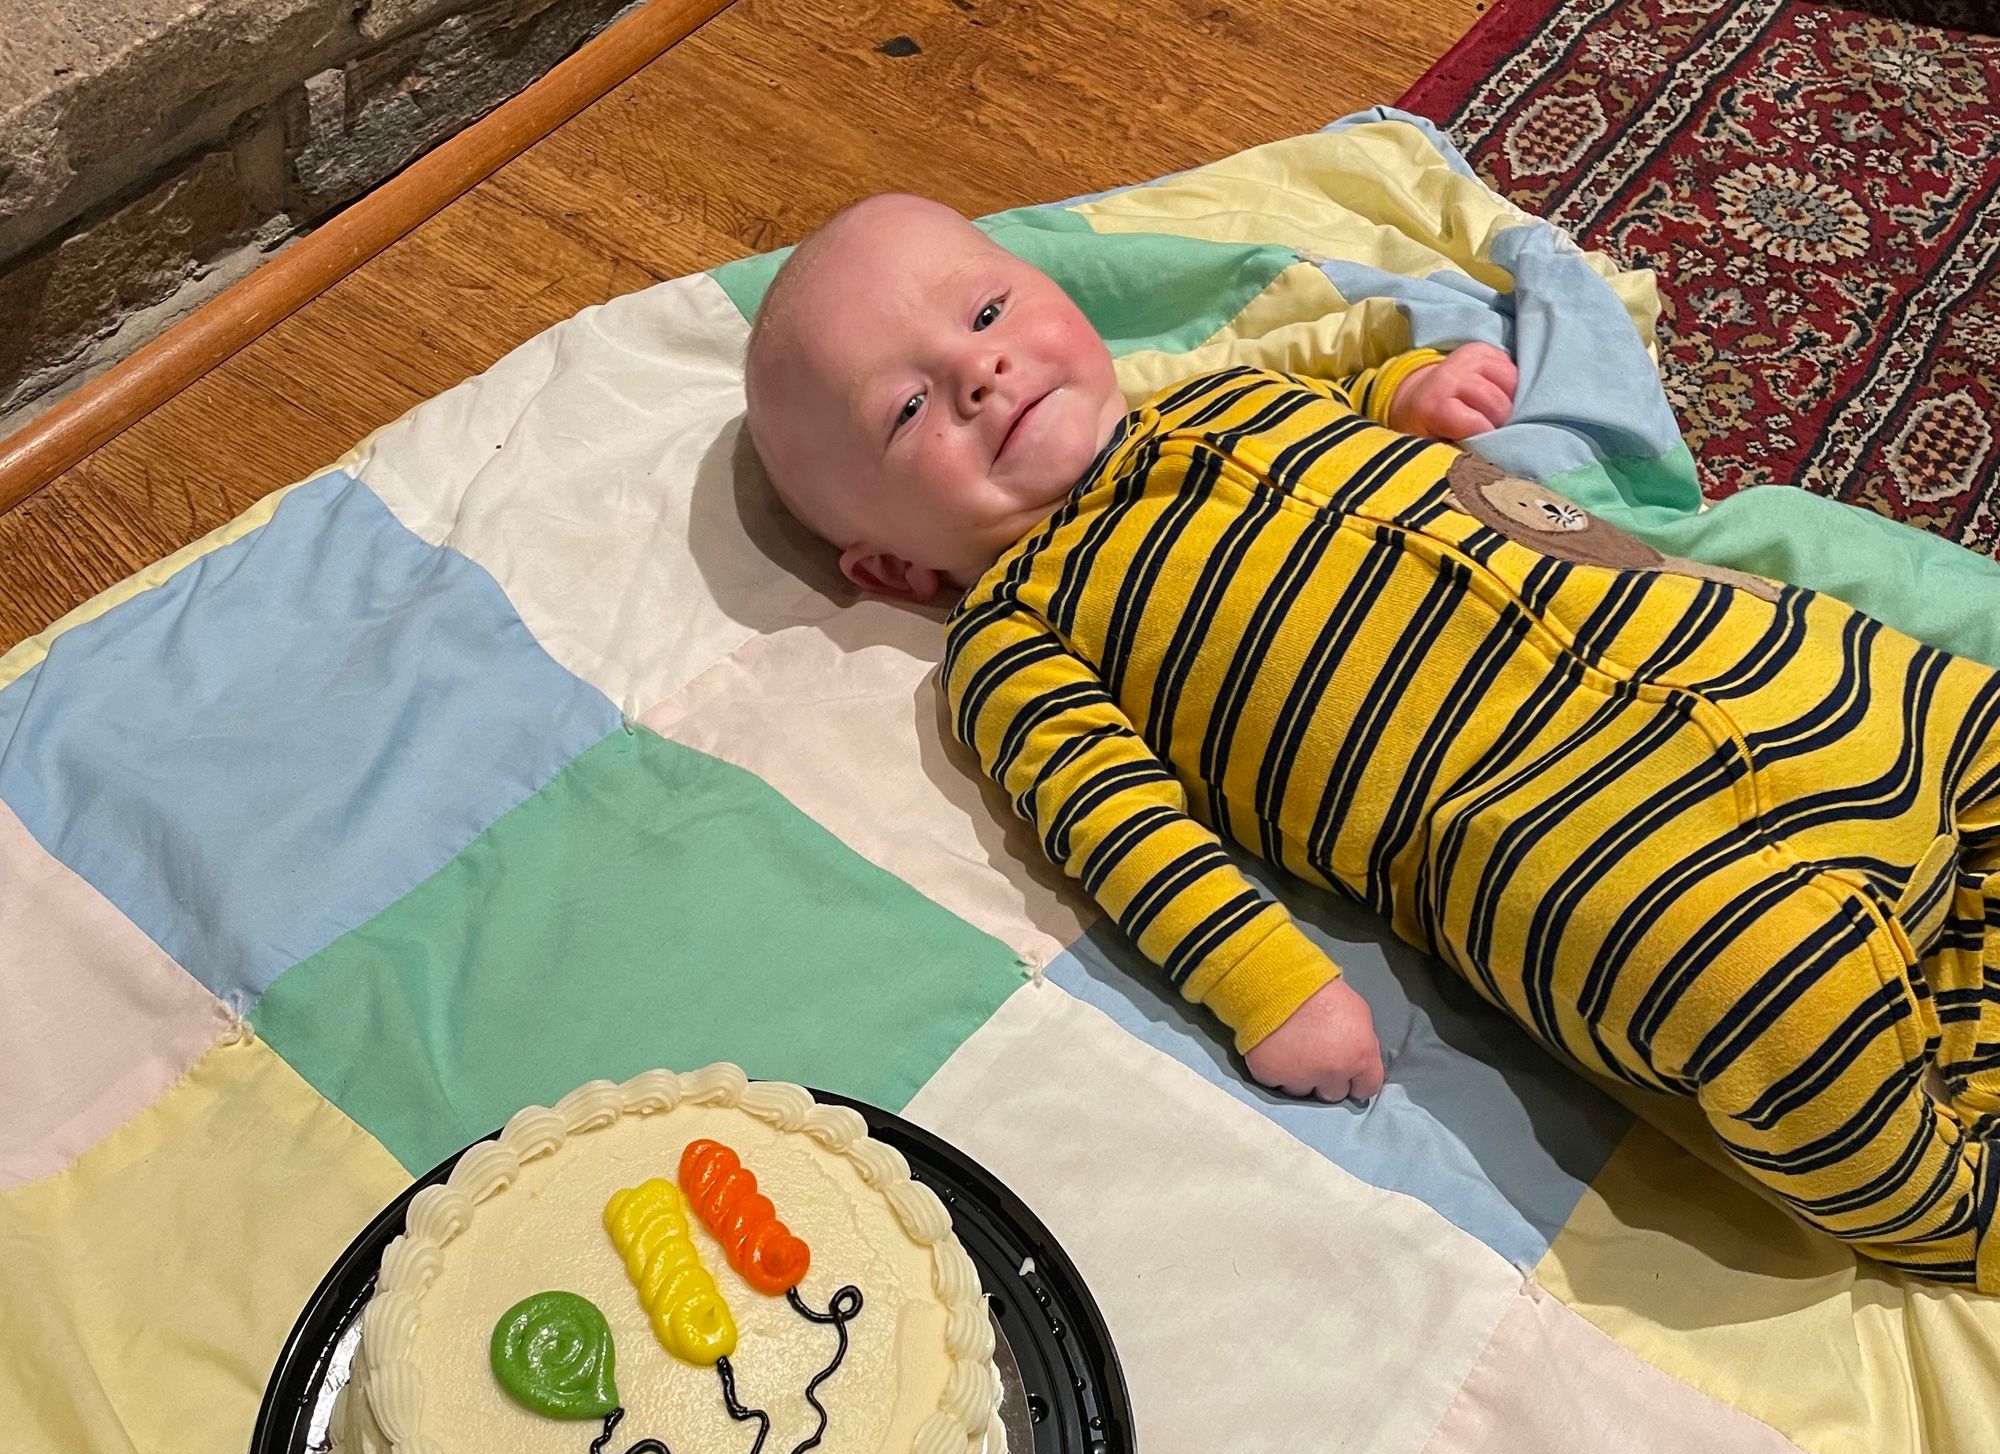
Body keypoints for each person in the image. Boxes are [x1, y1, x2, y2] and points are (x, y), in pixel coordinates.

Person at [744, 193, 2000, 1290]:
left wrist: (1397, 394)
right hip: (1589, 837)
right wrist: (1264, 983)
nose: (980, 375)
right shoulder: (1013, 634)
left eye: (986, 312)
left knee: (1965, 717)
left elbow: (1333, 413)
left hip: (1750, 656)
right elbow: (1117, 824)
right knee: (1768, 1003)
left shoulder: (1234, 389)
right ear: (894, 566)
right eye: (909, 406)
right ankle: (1958, 1201)